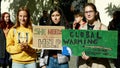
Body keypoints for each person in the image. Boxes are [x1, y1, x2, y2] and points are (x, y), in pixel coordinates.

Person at [77, 3, 111, 68]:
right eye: (86, 12)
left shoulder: (103, 28)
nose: (88, 14)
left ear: (95, 13)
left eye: (90, 11)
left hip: (98, 64)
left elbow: (107, 49)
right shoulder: (81, 28)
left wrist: (92, 54)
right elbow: (78, 46)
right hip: (84, 64)